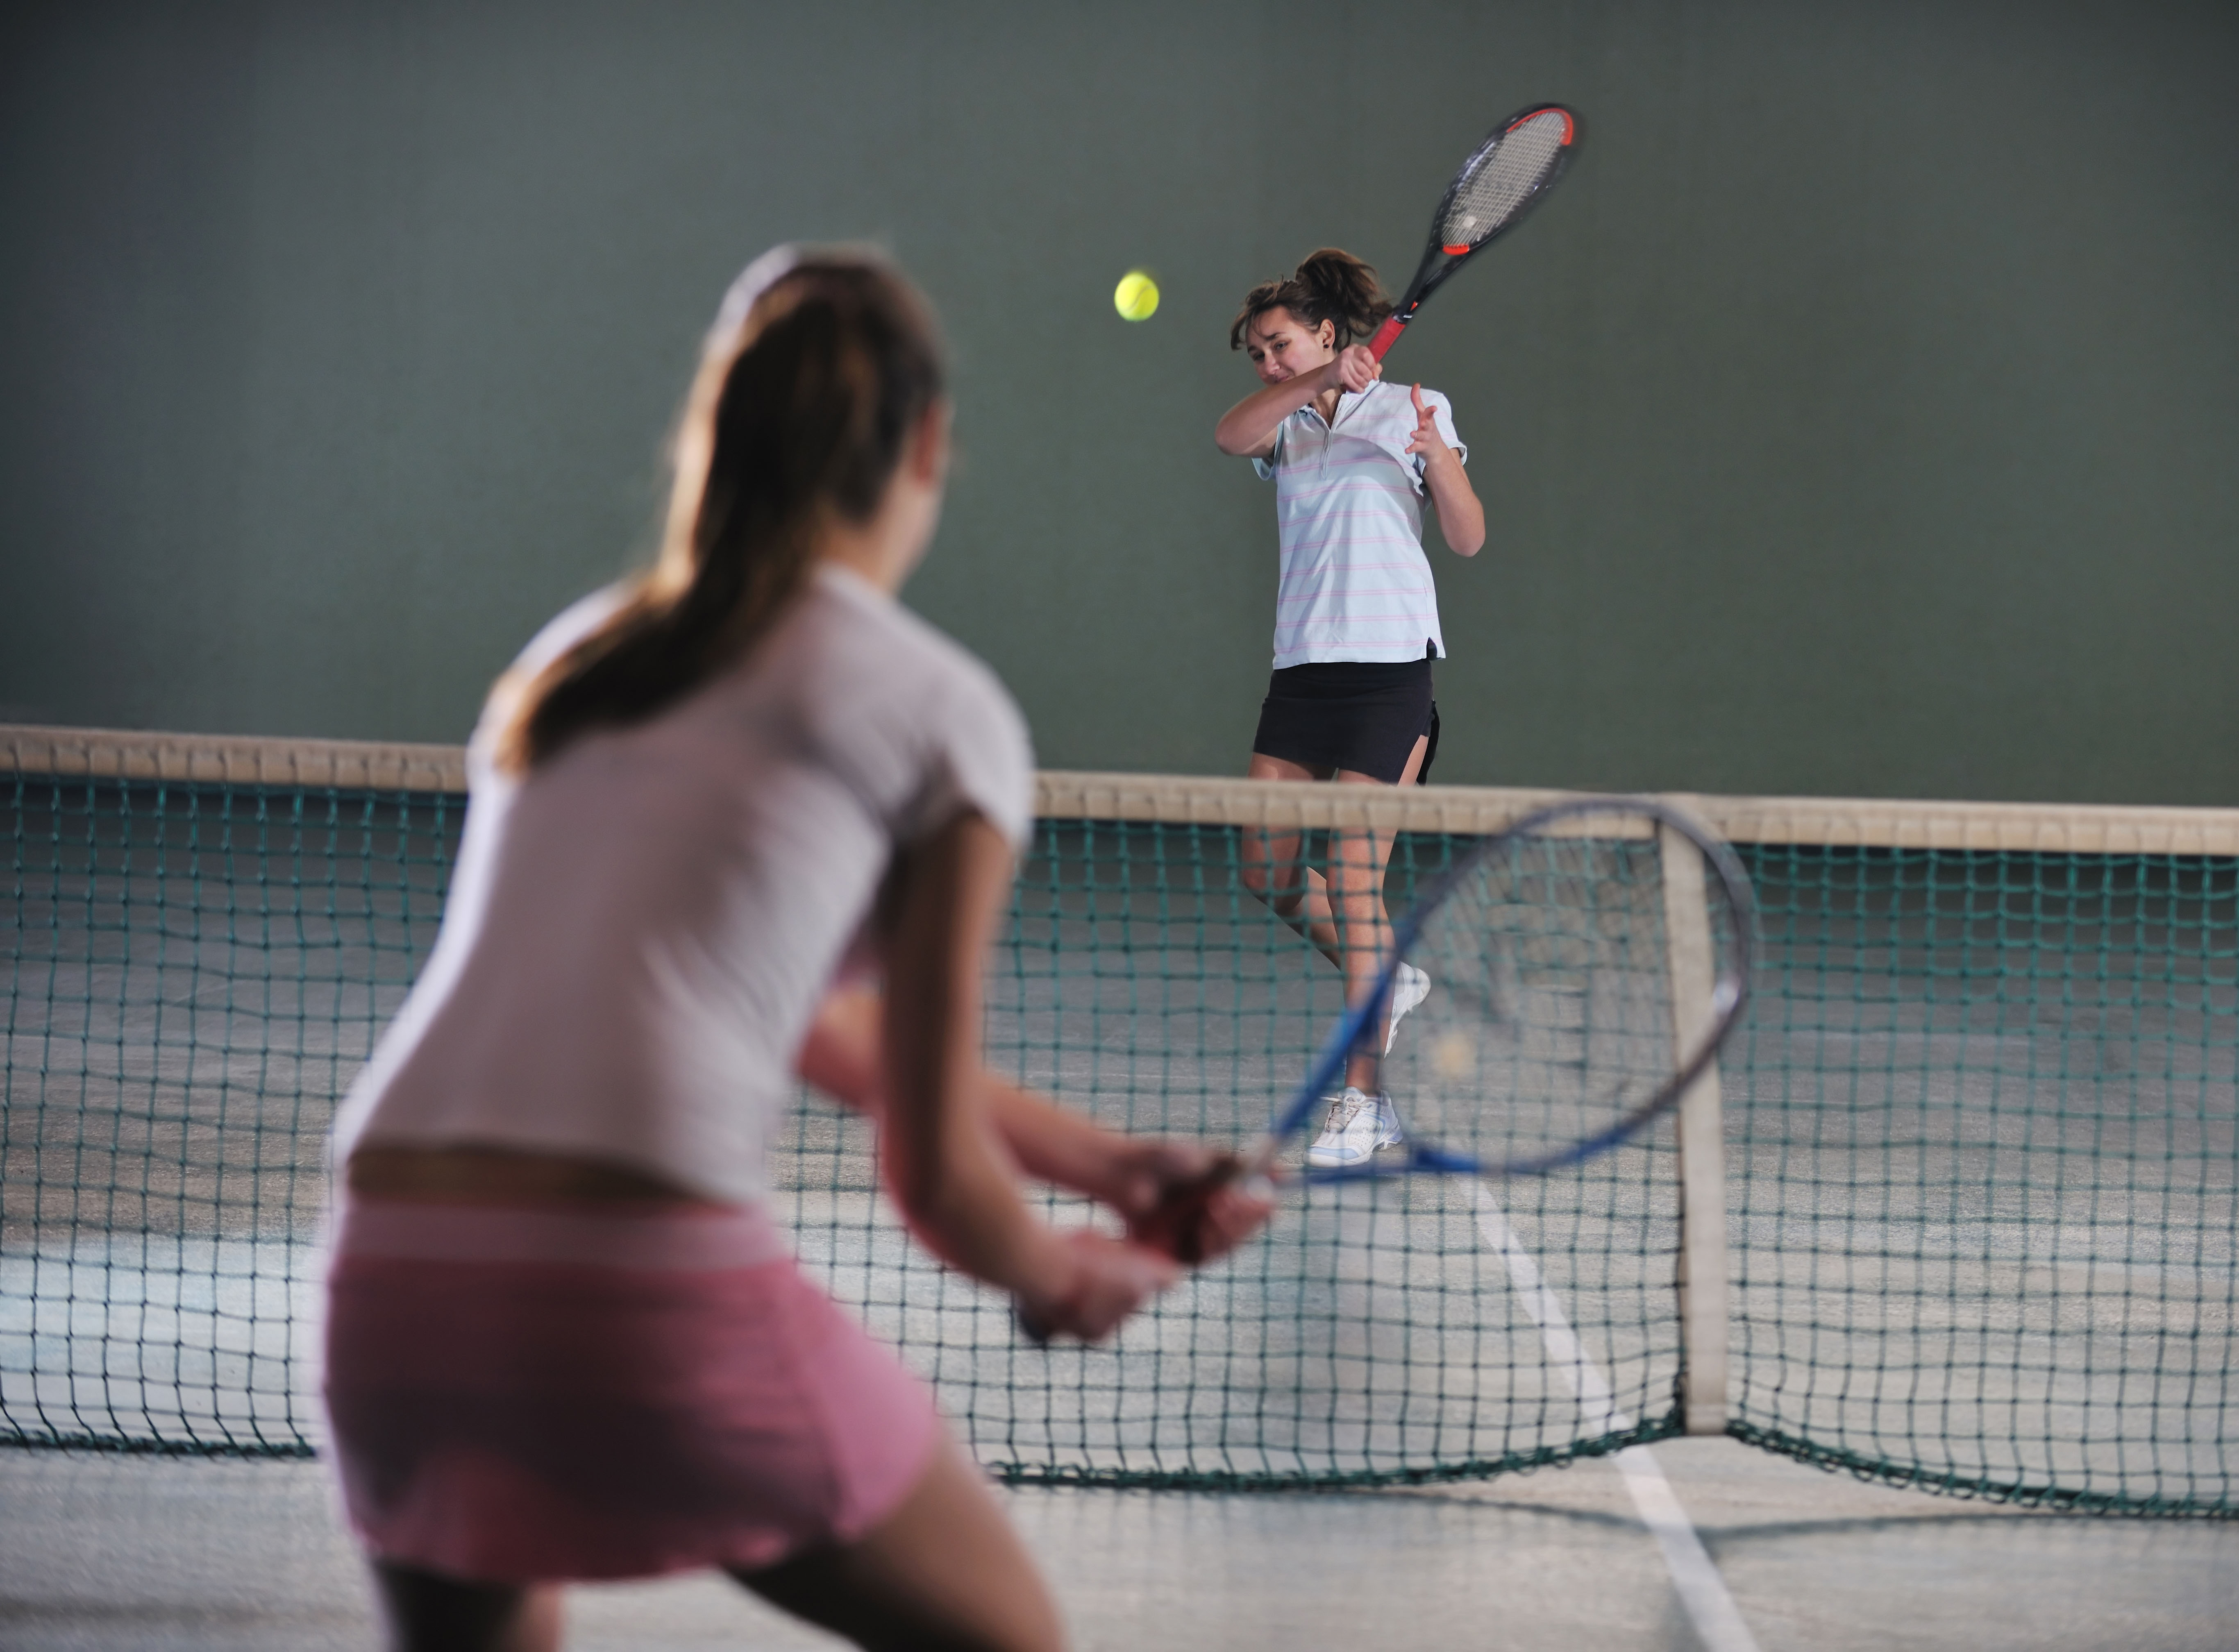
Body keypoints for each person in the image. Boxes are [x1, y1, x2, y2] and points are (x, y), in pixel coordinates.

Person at [321, 245, 1271, 1652]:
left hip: (390, 1276)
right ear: (929, 446)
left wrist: (1110, 1167)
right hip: (640, 1283)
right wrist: (1060, 1275)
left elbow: (782, 1024)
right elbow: (940, 1182)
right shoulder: (942, 716)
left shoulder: (574, 664)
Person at [1211, 248, 1485, 1170]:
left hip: (1388, 677)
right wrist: (1317, 382)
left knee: (1356, 880)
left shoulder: (1417, 406)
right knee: (1267, 870)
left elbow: (1468, 536)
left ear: (1328, 330)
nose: (1267, 363)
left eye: (1280, 345)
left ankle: (1366, 1105)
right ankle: (1390, 979)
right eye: (1257, 353)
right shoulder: (1286, 426)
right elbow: (1229, 435)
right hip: (1302, 675)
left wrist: (1433, 453)